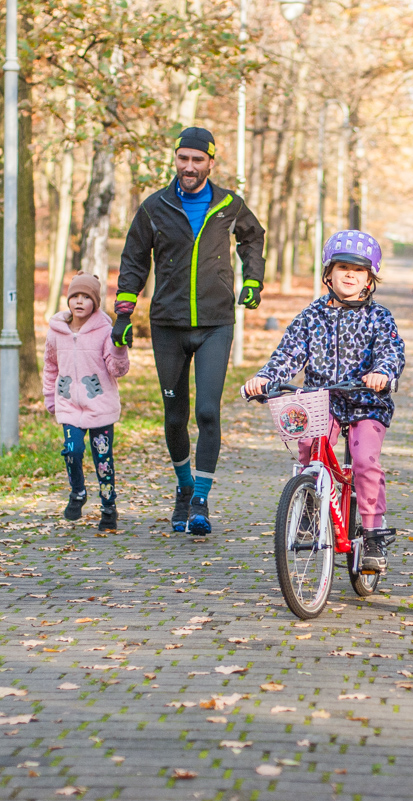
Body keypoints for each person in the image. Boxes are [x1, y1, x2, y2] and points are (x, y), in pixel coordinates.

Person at [115, 127, 265, 536]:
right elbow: (133, 260)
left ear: (211, 163)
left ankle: (200, 499)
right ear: (176, 160)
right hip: (167, 324)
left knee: (208, 411)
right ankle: (183, 488)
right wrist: (123, 314)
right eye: (183, 158)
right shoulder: (154, 207)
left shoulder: (229, 204)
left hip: (216, 323)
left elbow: (253, 238)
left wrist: (253, 280)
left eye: (198, 160)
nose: (189, 166)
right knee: (175, 416)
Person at [242, 231, 405, 572]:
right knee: (308, 445)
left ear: (369, 279)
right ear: (328, 273)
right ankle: (311, 503)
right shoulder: (310, 317)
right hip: (323, 399)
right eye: (343, 267)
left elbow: (392, 352)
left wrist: (383, 373)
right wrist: (264, 378)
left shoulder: (379, 317)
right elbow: (287, 355)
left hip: (366, 400)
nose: (349, 275)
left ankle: (374, 534)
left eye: (358, 270)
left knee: (364, 461)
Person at [43, 273, 131, 531]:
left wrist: (119, 346)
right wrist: (50, 396)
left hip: (99, 405)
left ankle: (108, 507)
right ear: (68, 300)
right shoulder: (57, 331)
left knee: (103, 459)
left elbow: (117, 370)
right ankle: (78, 492)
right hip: (69, 403)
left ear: (95, 302)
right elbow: (50, 365)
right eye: (75, 297)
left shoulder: (105, 329)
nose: (79, 302)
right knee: (72, 450)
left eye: (86, 298)